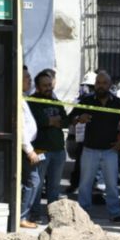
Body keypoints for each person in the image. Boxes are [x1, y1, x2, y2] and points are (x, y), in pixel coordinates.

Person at [75, 71, 120, 224]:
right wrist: (79, 119)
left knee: (112, 186)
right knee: (85, 185)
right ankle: (83, 215)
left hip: (110, 152)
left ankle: (114, 214)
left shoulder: (117, 103)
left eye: (104, 83)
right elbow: (70, 118)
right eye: (98, 83)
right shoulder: (86, 101)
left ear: (110, 85)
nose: (100, 86)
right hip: (89, 150)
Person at [27, 70, 70, 223]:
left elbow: (65, 121)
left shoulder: (55, 101)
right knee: (37, 185)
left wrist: (52, 120)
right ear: (38, 87)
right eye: (45, 86)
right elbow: (38, 121)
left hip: (58, 150)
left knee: (54, 186)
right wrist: (51, 121)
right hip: (40, 150)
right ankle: (35, 213)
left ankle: (53, 215)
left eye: (50, 85)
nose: (48, 88)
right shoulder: (32, 101)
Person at [66, 71, 97, 194]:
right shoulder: (77, 102)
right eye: (86, 86)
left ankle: (93, 187)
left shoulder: (97, 102)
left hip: (93, 137)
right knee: (80, 162)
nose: (87, 89)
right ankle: (75, 184)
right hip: (79, 138)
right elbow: (70, 118)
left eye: (90, 87)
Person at [20, 65, 41, 229]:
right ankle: (22, 216)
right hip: (24, 148)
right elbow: (21, 129)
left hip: (28, 146)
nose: (30, 81)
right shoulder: (19, 100)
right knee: (33, 181)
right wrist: (29, 150)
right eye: (27, 78)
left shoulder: (23, 97)